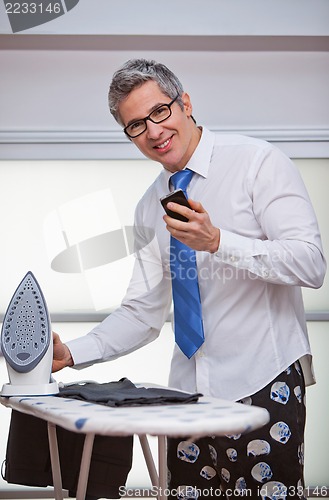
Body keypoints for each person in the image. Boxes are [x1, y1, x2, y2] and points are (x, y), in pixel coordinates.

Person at [52, 59, 326, 498]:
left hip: (263, 384)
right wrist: (72, 353)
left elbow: (311, 264)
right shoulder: (149, 207)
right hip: (186, 399)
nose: (153, 132)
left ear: (185, 103)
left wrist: (218, 241)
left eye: (159, 112)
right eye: (136, 125)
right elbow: (142, 313)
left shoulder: (257, 163)